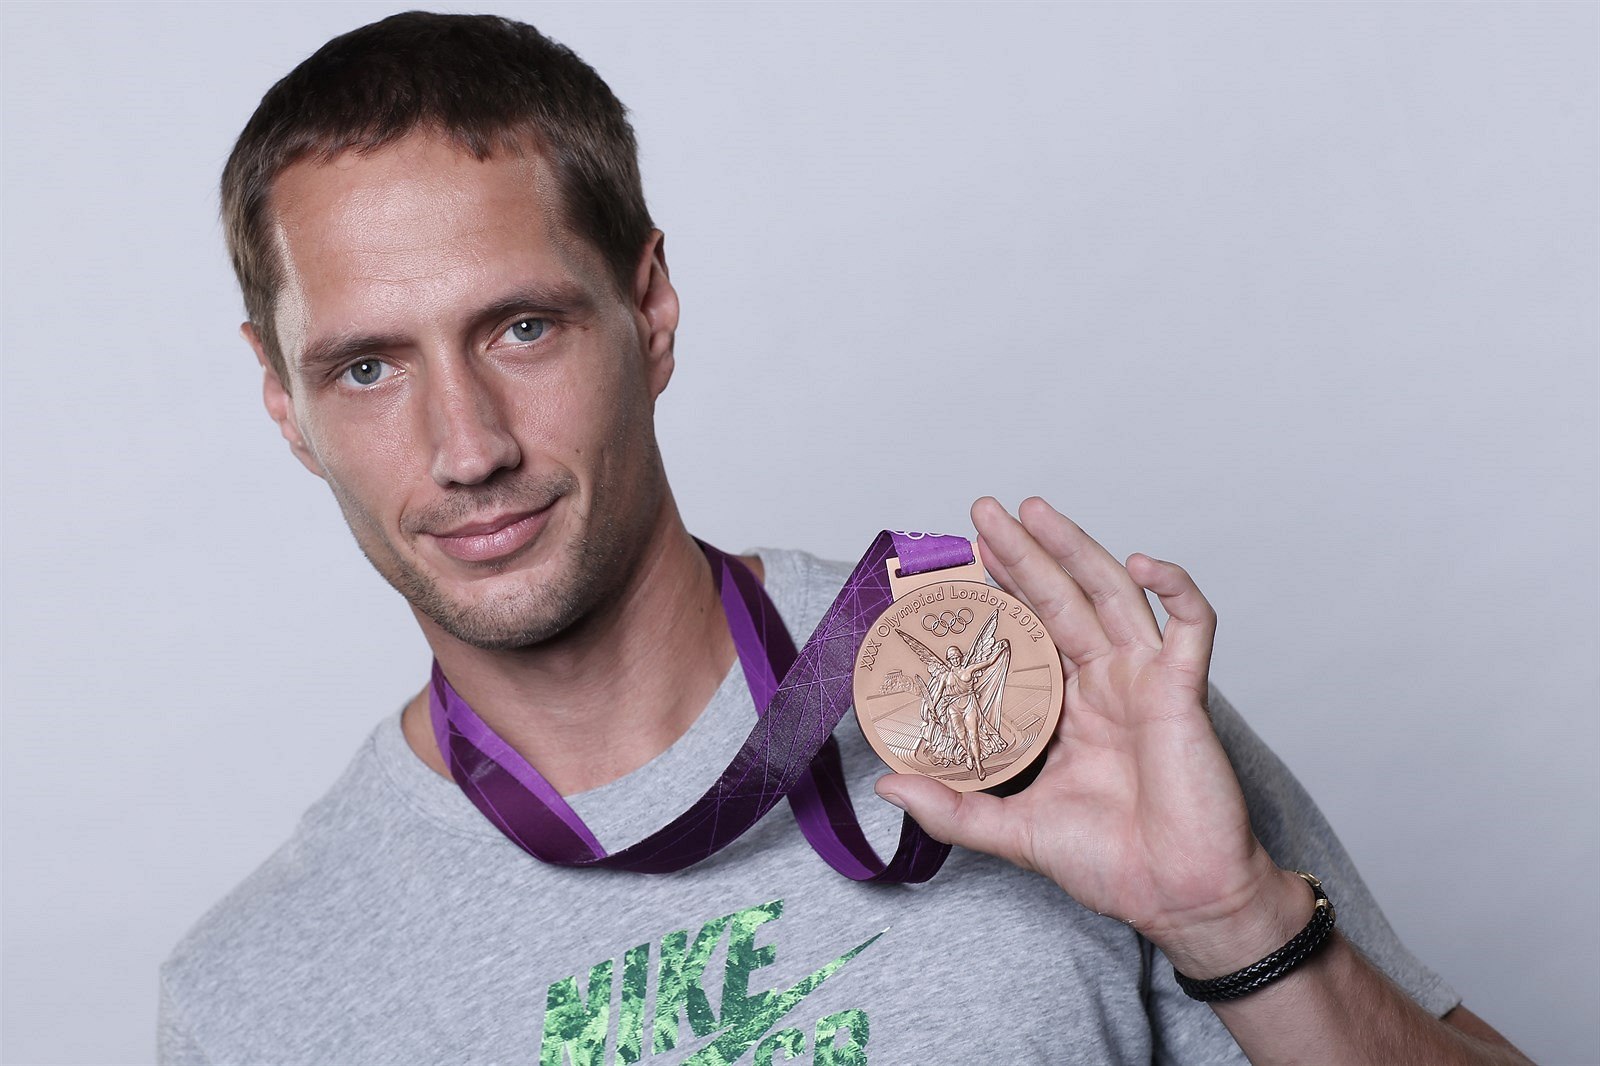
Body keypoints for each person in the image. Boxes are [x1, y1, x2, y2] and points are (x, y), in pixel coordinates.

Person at [159, 12, 1528, 1064]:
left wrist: (1234, 922)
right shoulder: (255, 996)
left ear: (650, 311)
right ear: (284, 405)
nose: (468, 446)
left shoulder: (1034, 689)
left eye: (523, 327)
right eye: (366, 368)